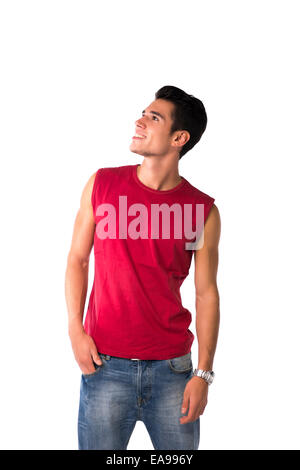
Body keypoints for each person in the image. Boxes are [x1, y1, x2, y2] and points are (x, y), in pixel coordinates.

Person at [65, 85, 221, 450]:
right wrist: (75, 327)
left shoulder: (203, 210)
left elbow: (206, 293)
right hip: (103, 367)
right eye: (143, 113)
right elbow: (77, 258)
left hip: (174, 373)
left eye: (154, 118)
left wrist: (204, 374)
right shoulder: (101, 184)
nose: (140, 121)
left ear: (178, 138)